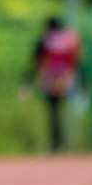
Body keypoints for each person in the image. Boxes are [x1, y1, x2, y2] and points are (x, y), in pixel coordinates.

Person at [29, 17, 82, 153]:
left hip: (51, 78)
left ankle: (56, 144)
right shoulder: (69, 39)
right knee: (60, 111)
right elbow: (75, 59)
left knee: (53, 112)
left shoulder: (46, 40)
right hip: (65, 78)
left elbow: (39, 61)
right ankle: (61, 143)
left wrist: (39, 79)